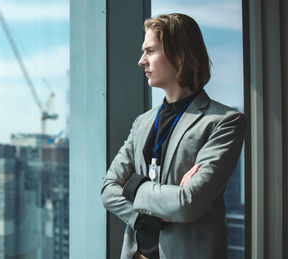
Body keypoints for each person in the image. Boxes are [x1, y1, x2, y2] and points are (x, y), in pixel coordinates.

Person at [101, 13, 246, 259]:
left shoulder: (224, 121)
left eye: (151, 51)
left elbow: (188, 203)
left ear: (180, 56)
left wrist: (134, 185)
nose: (141, 61)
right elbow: (107, 190)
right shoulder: (142, 123)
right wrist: (154, 214)